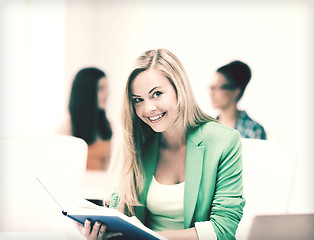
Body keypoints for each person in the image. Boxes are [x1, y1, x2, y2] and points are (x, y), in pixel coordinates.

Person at [78, 49, 245, 240]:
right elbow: (119, 215)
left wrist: (147, 237)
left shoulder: (224, 141)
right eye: (138, 100)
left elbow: (223, 230)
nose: (148, 108)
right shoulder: (137, 141)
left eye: (157, 94)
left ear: (179, 89)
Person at [58, 67, 113, 170]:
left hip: (99, 184)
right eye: (101, 88)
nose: (107, 93)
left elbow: (107, 166)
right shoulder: (66, 130)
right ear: (87, 94)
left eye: (106, 87)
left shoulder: (106, 125)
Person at [209, 60, 267, 140]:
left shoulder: (254, 130)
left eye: (218, 87)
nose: (211, 93)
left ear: (236, 91)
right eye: (211, 88)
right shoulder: (207, 129)